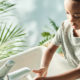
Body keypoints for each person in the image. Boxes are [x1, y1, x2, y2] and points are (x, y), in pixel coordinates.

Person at [33, 0, 80, 80]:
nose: (70, 19)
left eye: (76, 15)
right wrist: (44, 67)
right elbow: (50, 50)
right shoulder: (65, 27)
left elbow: (78, 72)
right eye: (67, 13)